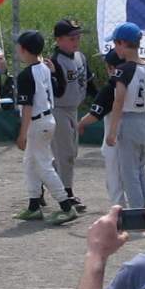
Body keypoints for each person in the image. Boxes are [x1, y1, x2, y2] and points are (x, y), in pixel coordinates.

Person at [13, 29, 76, 224]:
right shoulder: (44, 67)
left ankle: (66, 205)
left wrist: (22, 134)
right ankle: (33, 205)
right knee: (31, 162)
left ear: (23, 49)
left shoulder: (26, 74)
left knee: (42, 164)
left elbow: (27, 107)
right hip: (47, 120)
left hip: (37, 122)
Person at [101, 22, 145, 211]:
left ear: (123, 43)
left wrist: (112, 131)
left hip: (129, 121)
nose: (116, 49)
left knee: (129, 173)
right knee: (140, 169)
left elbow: (118, 101)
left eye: (116, 44)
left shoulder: (123, 70)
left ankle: (137, 213)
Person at [49, 19, 92, 213]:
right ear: (58, 40)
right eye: (71, 37)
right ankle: (67, 193)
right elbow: (57, 92)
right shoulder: (55, 61)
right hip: (58, 110)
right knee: (65, 154)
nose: (76, 40)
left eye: (77, 36)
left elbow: (88, 83)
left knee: (70, 153)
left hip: (73, 110)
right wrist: (53, 74)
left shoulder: (80, 57)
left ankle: (43, 177)